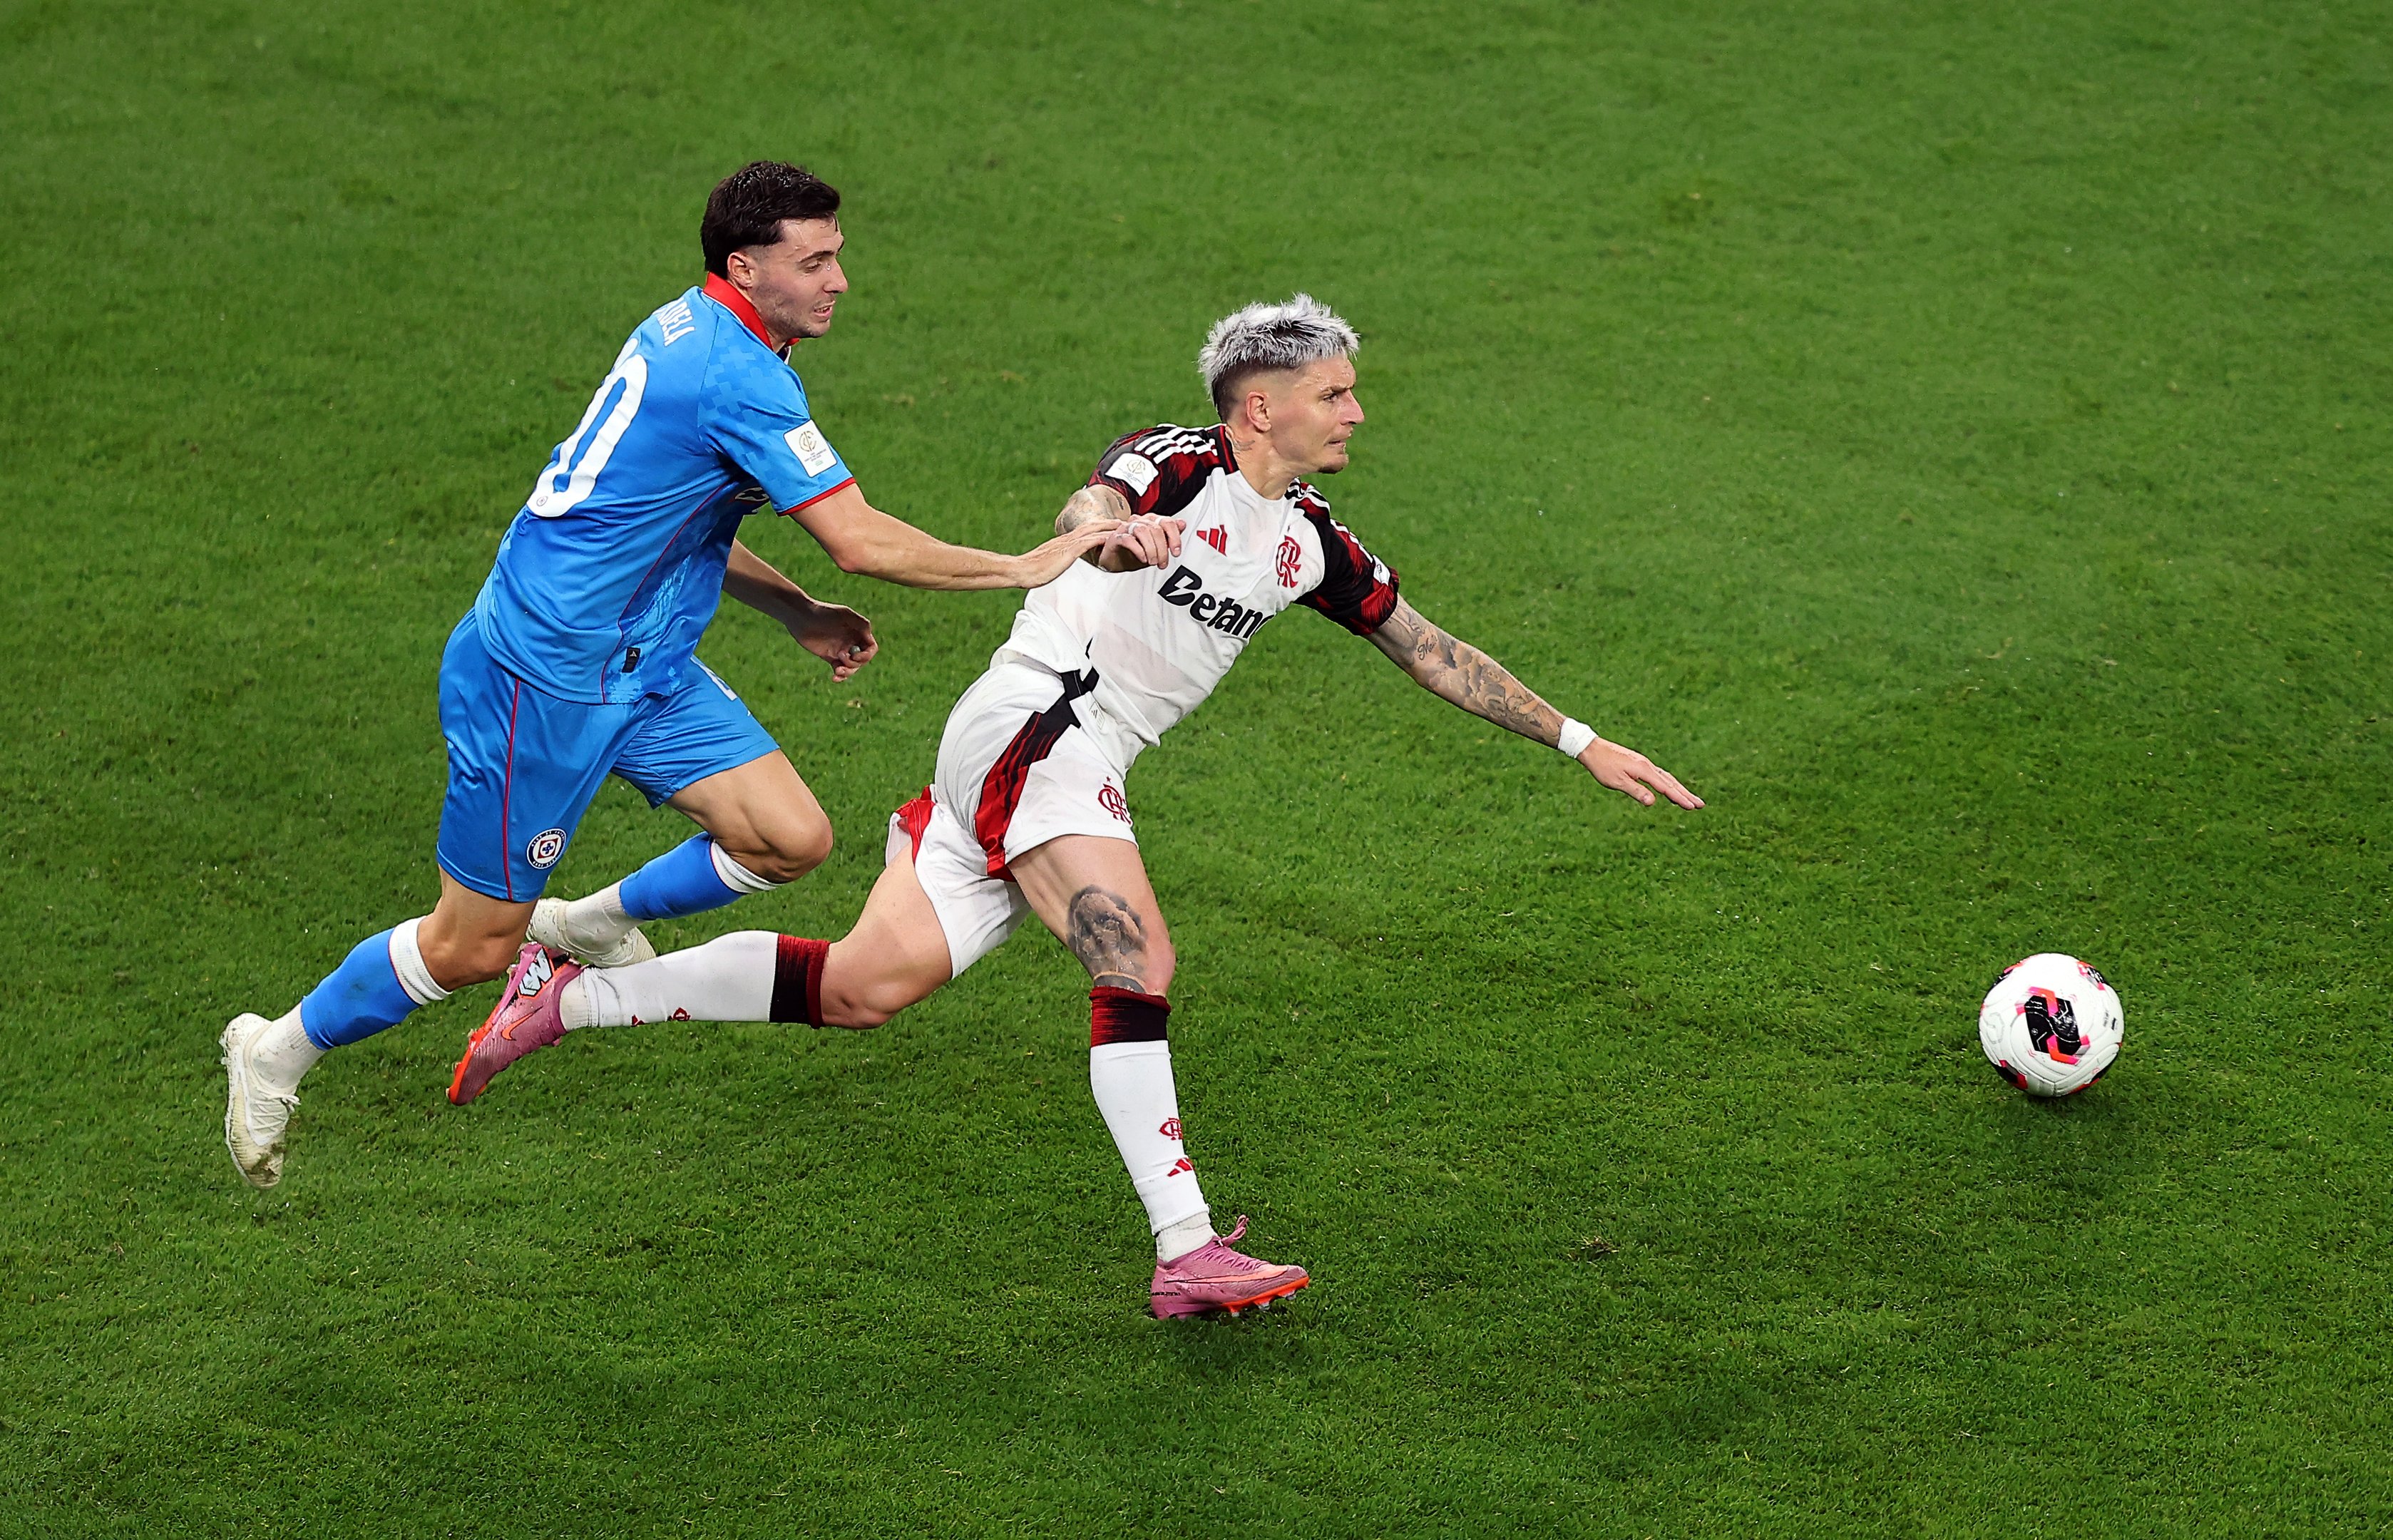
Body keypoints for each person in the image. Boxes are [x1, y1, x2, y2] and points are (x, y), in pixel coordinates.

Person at [449, 294, 1703, 1316]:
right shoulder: (1175, 463)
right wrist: (1108, 536)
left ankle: (576, 995)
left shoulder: (1311, 540)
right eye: (1336, 392)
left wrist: (1578, 739)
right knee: (1135, 952)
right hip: (1041, 728)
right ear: (1261, 405)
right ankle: (1186, 1247)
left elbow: (1426, 646)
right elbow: (1089, 508)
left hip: (1032, 759)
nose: (1355, 411)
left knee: (860, 991)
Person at [218, 160, 1152, 1190]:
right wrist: (1023, 567)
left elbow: (670, 517)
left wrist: (790, 608)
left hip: (643, 662)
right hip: (545, 681)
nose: (841, 278)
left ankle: (584, 925)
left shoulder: (707, 333)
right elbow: (856, 538)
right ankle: (275, 1047)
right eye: (817, 260)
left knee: (786, 838)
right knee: (471, 948)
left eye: (838, 253)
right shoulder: (735, 374)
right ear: (745, 267)